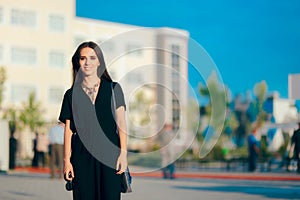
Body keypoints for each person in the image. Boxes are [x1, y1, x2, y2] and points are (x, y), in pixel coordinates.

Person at [59, 41, 128, 200]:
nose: (87, 62)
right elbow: (69, 130)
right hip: (81, 157)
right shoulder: (71, 94)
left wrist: (123, 154)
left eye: (92, 57)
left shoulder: (114, 89)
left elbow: (121, 123)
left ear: (99, 61)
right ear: (78, 62)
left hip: (110, 155)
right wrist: (66, 161)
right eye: (83, 58)